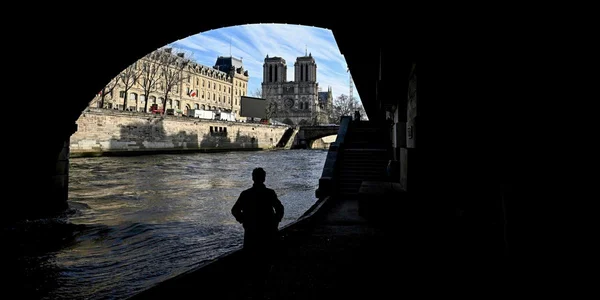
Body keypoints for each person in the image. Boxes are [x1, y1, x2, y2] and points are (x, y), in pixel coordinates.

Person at [231, 167, 284, 297]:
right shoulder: (270, 193)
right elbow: (280, 209)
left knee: (252, 259)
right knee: (266, 258)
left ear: (252, 178)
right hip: (268, 231)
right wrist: (276, 221)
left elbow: (235, 210)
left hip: (251, 231)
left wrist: (243, 221)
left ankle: (254, 287)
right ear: (264, 178)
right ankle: (264, 285)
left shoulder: (245, 194)